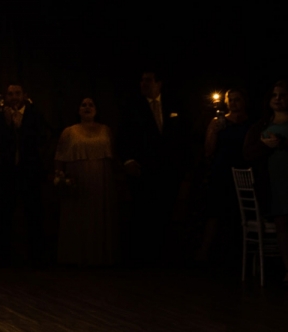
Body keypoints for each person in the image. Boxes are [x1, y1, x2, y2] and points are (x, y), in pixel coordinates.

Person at [121, 70, 189, 265]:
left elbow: (183, 136)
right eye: (142, 80)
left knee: (166, 212)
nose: (143, 84)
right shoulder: (132, 106)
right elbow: (124, 136)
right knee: (143, 213)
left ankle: (164, 257)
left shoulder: (174, 104)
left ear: (159, 84)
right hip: (143, 169)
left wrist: (181, 166)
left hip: (169, 170)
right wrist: (127, 160)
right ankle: (143, 258)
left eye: (148, 80)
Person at [0, 84, 50, 267]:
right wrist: (8, 125)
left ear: (24, 95)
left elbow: (41, 140)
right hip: (6, 173)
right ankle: (3, 260)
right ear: (5, 97)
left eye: (17, 93)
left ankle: (37, 259)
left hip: (30, 172)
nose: (14, 97)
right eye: (10, 94)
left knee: (34, 216)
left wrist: (20, 126)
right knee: (4, 217)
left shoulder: (35, 115)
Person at [53, 97, 117, 266]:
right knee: (78, 217)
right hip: (77, 180)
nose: (87, 107)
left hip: (100, 181)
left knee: (98, 215)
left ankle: (99, 257)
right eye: (83, 105)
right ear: (78, 110)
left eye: (91, 105)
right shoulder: (69, 132)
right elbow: (59, 157)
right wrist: (60, 177)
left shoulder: (106, 130)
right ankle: (75, 257)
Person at [197, 89, 250, 264]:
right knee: (215, 213)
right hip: (221, 171)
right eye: (231, 100)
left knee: (241, 214)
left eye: (237, 99)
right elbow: (208, 150)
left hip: (244, 171)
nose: (234, 103)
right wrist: (214, 131)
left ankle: (240, 256)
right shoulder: (218, 122)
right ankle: (204, 256)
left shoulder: (250, 123)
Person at [243, 81, 288, 281]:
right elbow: (247, 153)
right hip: (272, 183)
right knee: (282, 224)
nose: (278, 99)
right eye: (274, 95)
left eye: (283, 95)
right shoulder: (262, 125)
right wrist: (265, 146)